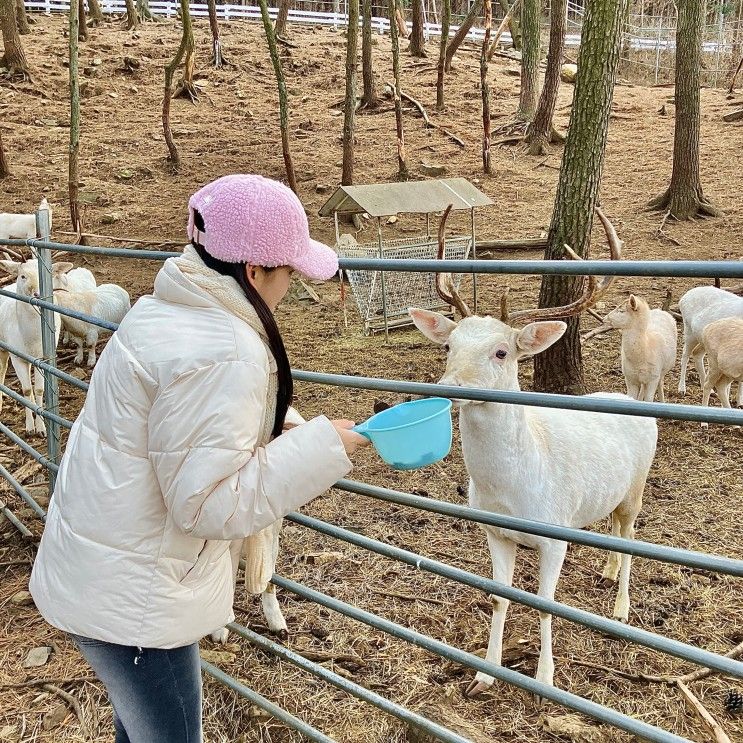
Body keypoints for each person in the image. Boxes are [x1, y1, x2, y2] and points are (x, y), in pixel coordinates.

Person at [29, 174, 369, 743]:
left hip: (110, 571)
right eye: (289, 272)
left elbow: (168, 427)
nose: (291, 286)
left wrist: (265, 421)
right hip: (140, 601)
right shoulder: (223, 349)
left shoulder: (164, 310)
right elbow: (207, 504)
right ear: (254, 271)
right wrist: (322, 448)